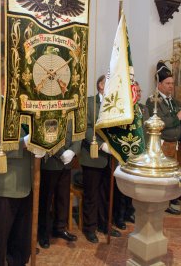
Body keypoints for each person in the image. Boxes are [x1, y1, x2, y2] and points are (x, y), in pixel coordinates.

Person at [0, 71, 45, 265]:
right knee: (0, 240)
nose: (18, 83)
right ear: (0, 84)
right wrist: (23, 143)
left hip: (29, 183)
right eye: (12, 80)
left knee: (21, 241)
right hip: (3, 186)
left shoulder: (28, 107)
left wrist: (43, 146)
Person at [146, 62, 181, 209]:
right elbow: (159, 122)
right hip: (162, 144)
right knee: (162, 176)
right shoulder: (152, 101)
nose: (171, 86)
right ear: (159, 84)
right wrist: (178, 118)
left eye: (172, 83)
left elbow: (179, 123)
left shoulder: (173, 101)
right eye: (168, 83)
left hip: (175, 144)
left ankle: (170, 199)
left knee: (172, 175)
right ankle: (161, 201)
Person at [79, 75, 121, 243]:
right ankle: (90, 228)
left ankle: (105, 225)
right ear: (101, 85)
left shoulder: (117, 104)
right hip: (93, 155)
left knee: (107, 194)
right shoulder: (89, 103)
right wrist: (103, 145)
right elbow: (85, 128)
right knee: (92, 194)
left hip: (111, 158)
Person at [37, 121, 80, 249]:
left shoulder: (72, 111)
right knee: (46, 200)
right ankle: (43, 232)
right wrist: (61, 153)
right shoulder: (50, 106)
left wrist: (72, 152)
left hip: (67, 164)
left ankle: (60, 228)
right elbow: (46, 134)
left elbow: (79, 134)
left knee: (63, 198)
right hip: (51, 162)